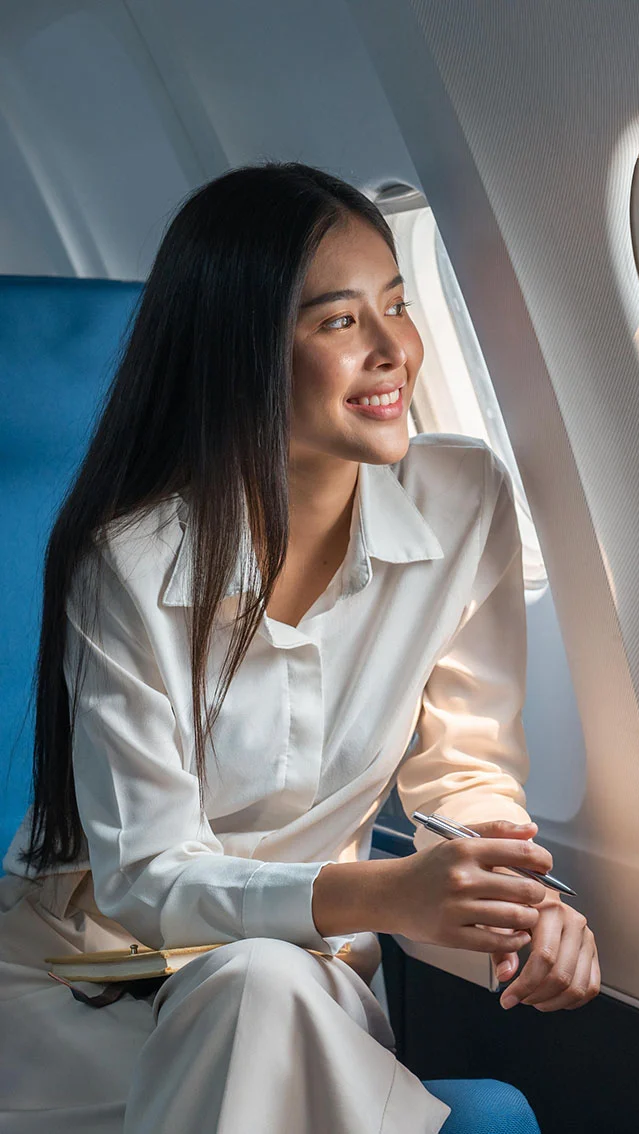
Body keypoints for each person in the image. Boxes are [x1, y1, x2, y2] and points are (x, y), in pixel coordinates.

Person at [0, 161, 600, 1133]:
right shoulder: (127, 562)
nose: (393, 348)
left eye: (395, 304)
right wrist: (384, 893)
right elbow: (146, 879)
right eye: (337, 321)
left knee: (260, 992)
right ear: (243, 356)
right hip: (86, 993)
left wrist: (517, 904)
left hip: (296, 983)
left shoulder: (466, 501)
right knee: (256, 1000)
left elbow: (466, 769)